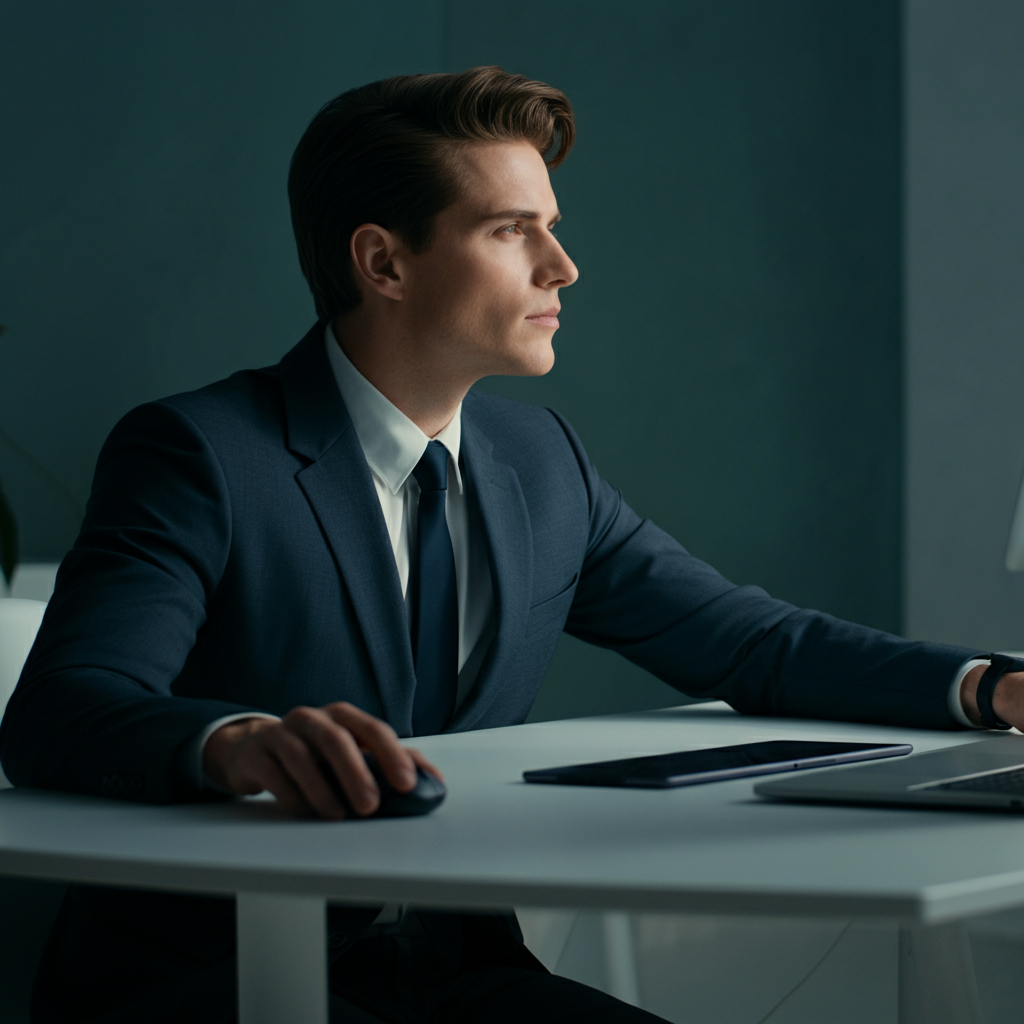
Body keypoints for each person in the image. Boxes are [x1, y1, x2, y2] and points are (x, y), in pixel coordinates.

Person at [1, 65, 1020, 1024]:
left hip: (452, 972)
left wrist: (987, 686)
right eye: (509, 229)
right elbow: (63, 708)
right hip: (214, 980)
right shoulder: (202, 453)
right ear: (383, 261)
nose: (561, 267)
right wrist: (242, 745)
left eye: (552, 229)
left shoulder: (541, 465)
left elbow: (752, 645)